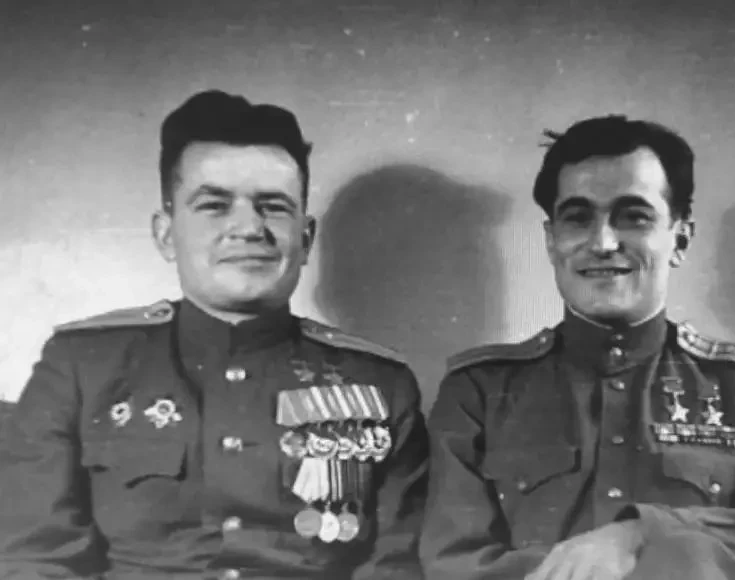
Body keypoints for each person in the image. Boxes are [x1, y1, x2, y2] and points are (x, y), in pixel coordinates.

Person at [0, 90, 428, 579]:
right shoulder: (82, 365)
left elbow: (393, 568)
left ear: (305, 239)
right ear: (166, 235)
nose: (248, 228)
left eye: (273, 206)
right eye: (214, 205)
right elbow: (35, 558)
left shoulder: (382, 384)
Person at [419, 115, 735, 580]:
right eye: (578, 218)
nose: (603, 242)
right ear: (551, 241)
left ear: (680, 238)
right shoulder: (479, 395)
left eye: (634, 217)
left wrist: (644, 533)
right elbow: (453, 564)